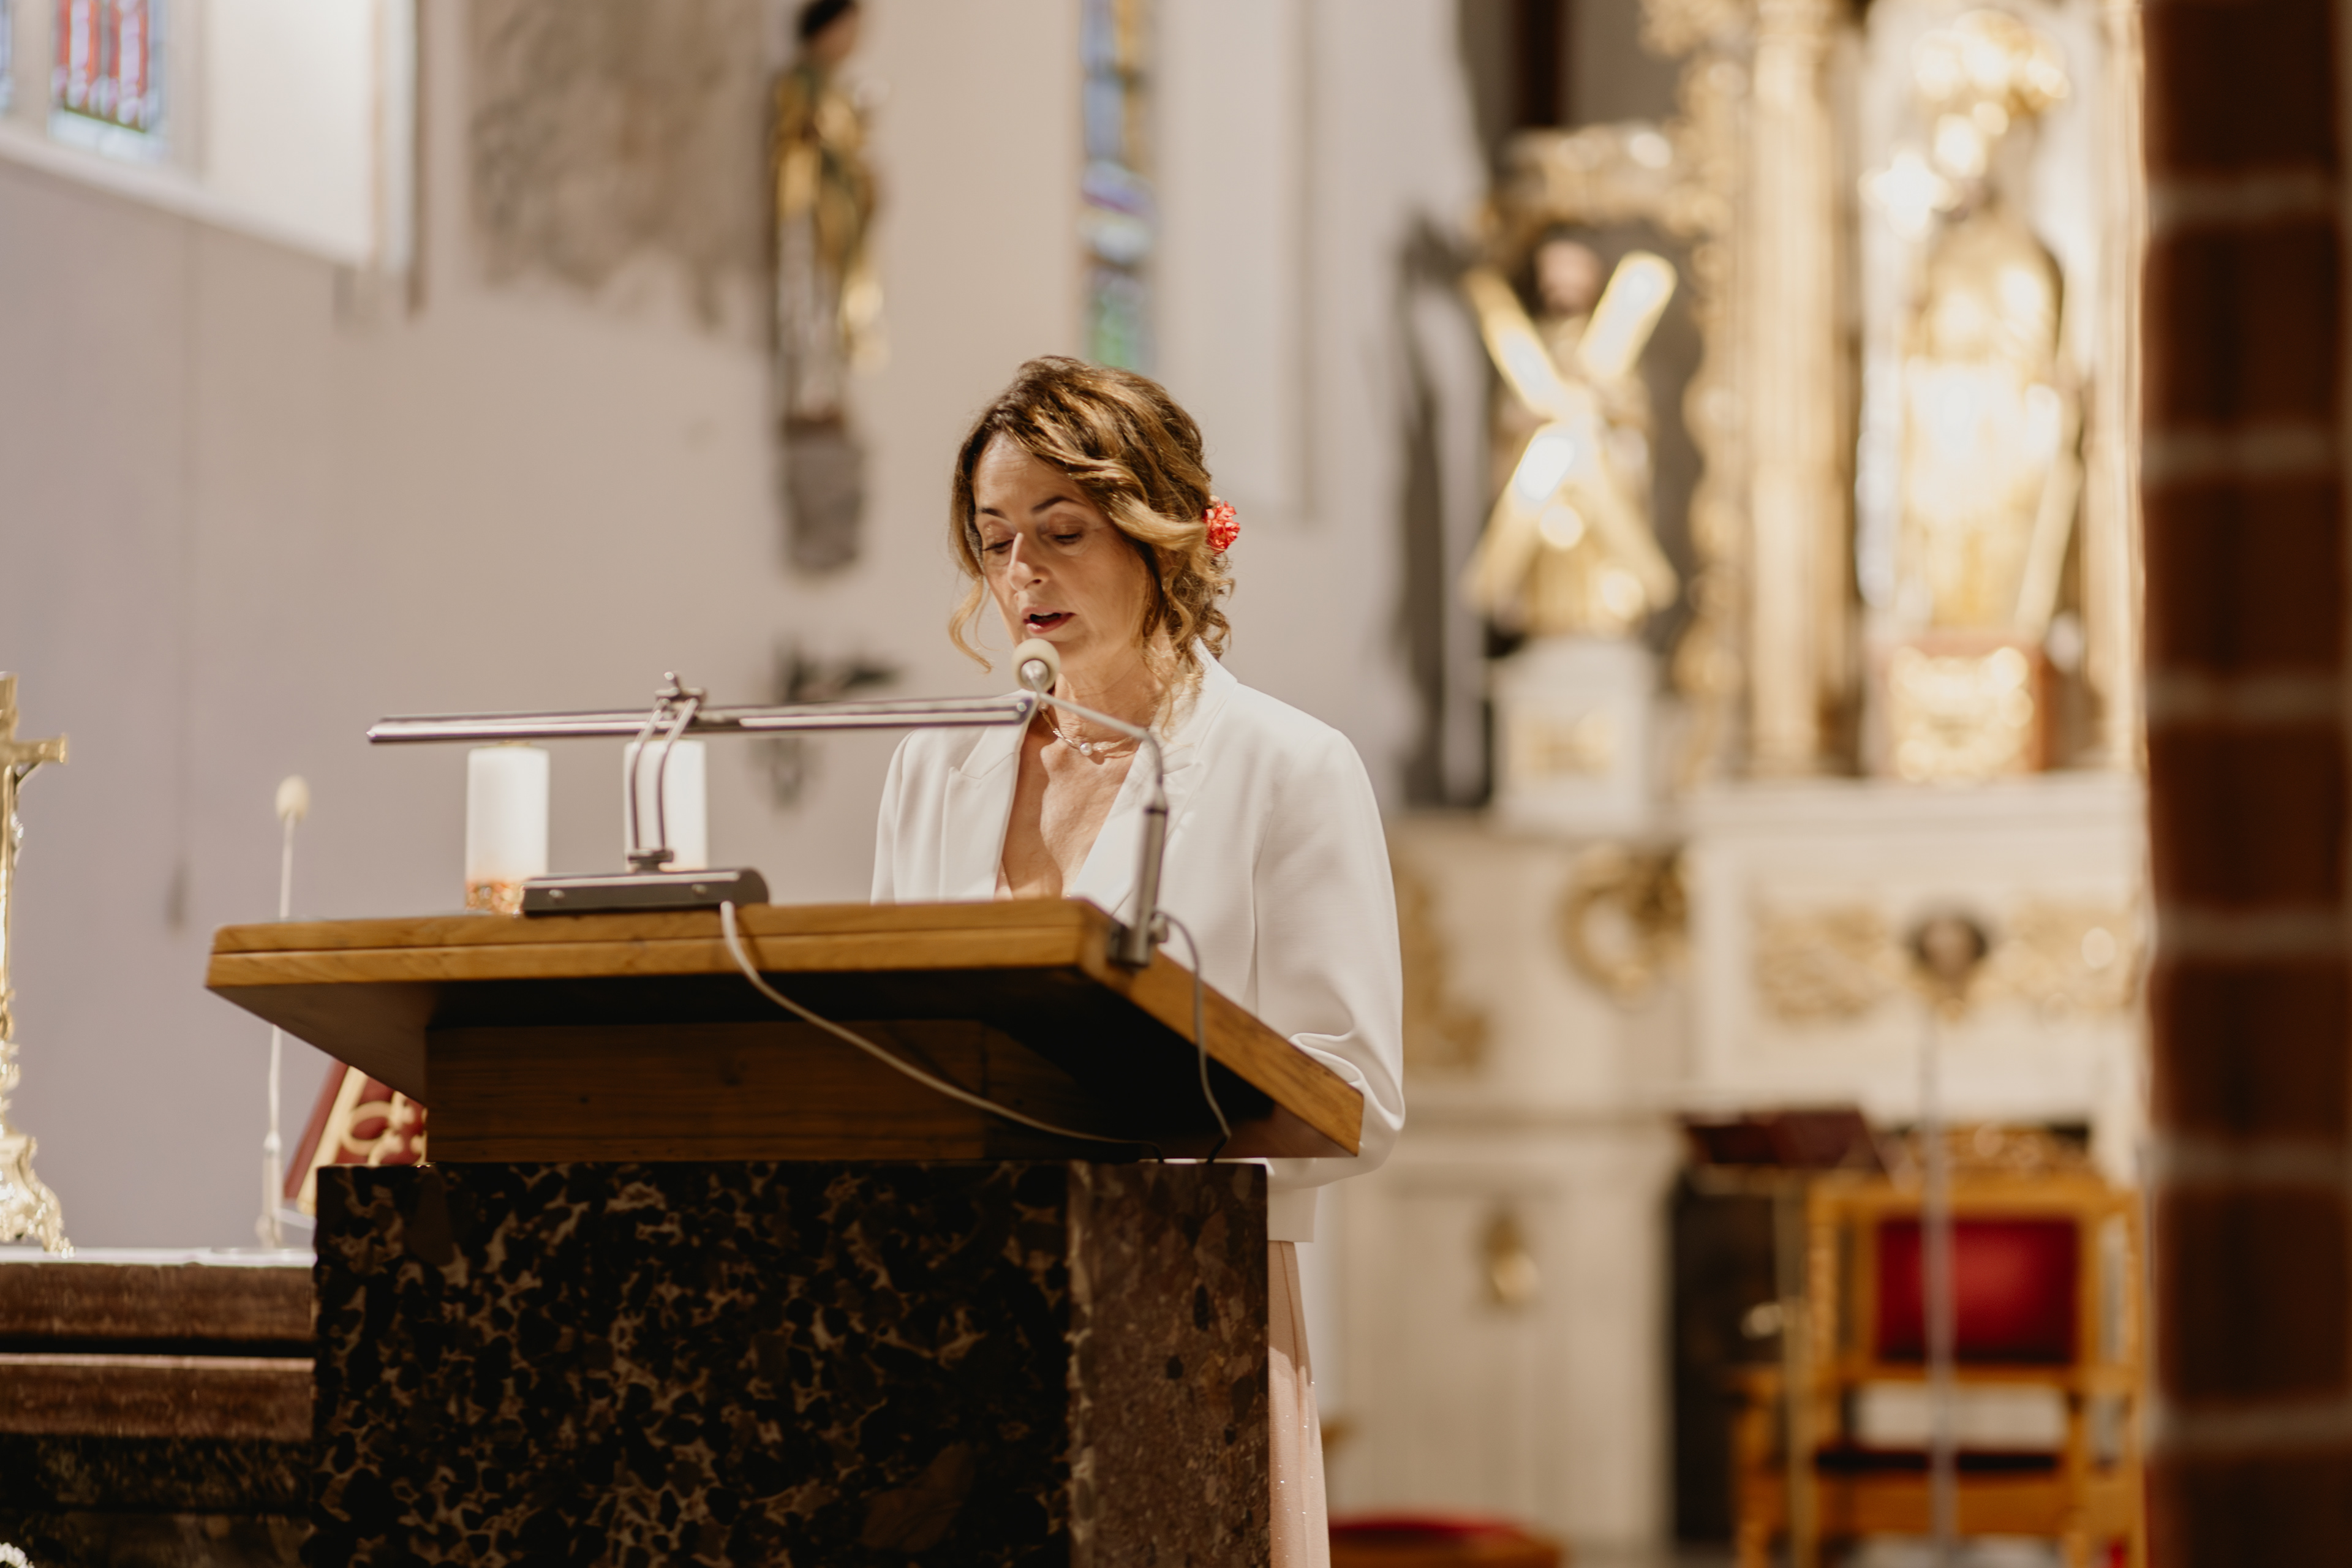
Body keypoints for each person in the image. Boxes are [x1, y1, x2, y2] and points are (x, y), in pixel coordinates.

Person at [872, 356, 1404, 1565]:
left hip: (1185, 1288)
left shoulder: (1288, 766)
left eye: (1062, 530)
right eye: (995, 537)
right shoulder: (934, 767)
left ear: (1162, 535)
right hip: (958, 1294)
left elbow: (1357, 1097)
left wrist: (1124, 1125)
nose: (1022, 569)